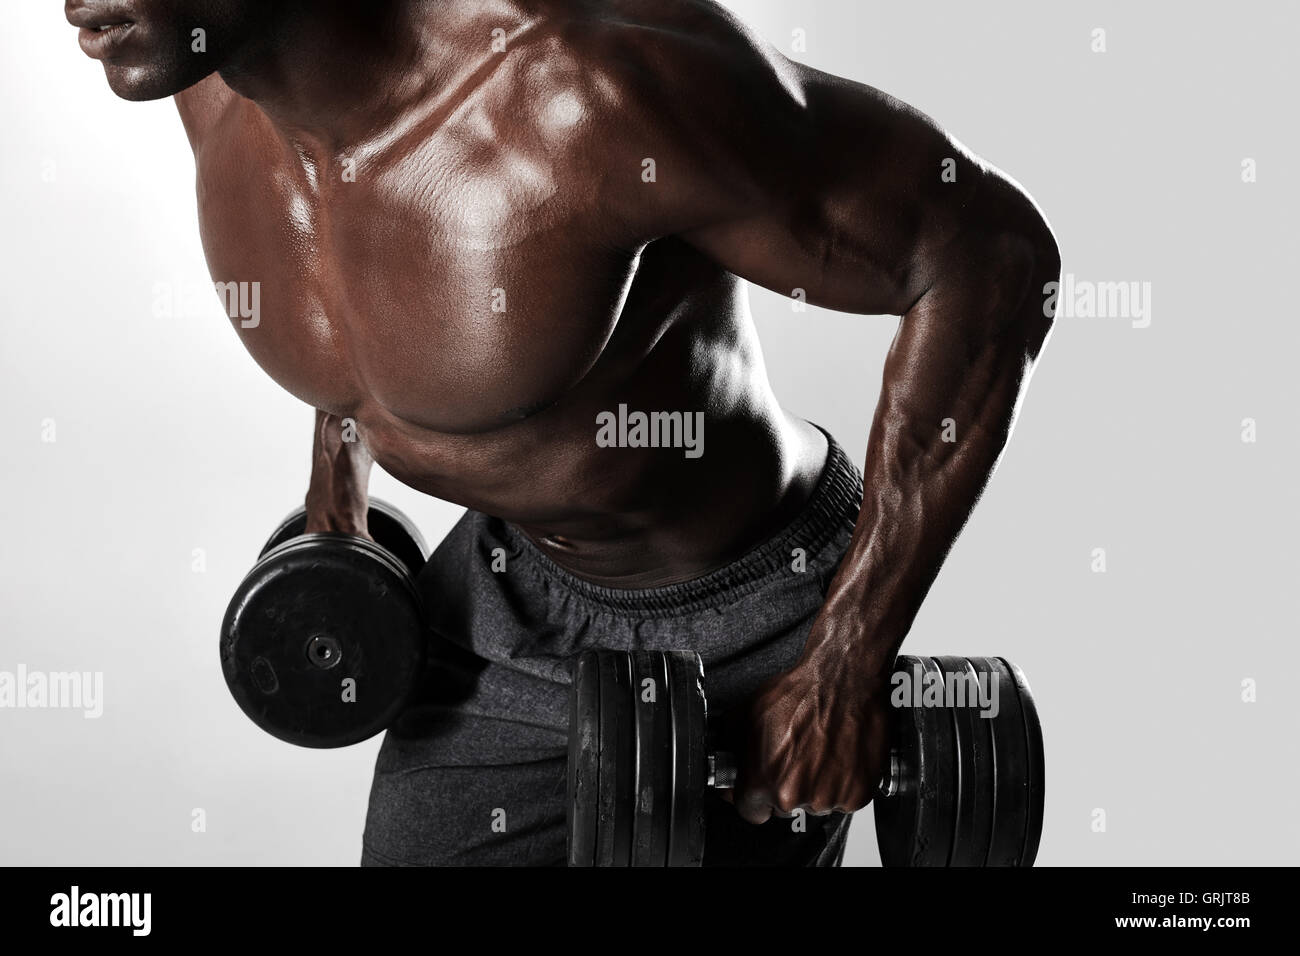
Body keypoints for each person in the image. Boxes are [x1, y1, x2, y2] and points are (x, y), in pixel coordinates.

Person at [66, 0, 1060, 865]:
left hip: (746, 617)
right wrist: (337, 497)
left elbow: (991, 258)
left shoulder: (591, 82)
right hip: (504, 589)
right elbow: (360, 331)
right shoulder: (209, 80)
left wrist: (845, 659)